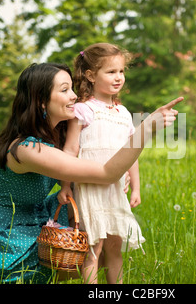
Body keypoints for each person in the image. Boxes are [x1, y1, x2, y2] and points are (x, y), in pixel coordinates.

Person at [0, 62, 183, 284]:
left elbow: (100, 162)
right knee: (90, 249)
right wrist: (146, 128)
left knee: (100, 231)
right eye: (64, 90)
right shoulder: (27, 149)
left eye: (72, 88)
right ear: (42, 102)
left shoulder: (58, 135)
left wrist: (123, 177)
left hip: (32, 215)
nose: (74, 96)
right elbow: (106, 172)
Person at [57, 43, 142, 284]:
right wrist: (65, 186)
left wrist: (135, 187)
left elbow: (131, 153)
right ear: (91, 76)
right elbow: (71, 149)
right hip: (90, 188)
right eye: (111, 72)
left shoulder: (124, 114)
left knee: (114, 248)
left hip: (115, 191)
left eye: (121, 71)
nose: (118, 77)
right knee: (93, 249)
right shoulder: (83, 110)